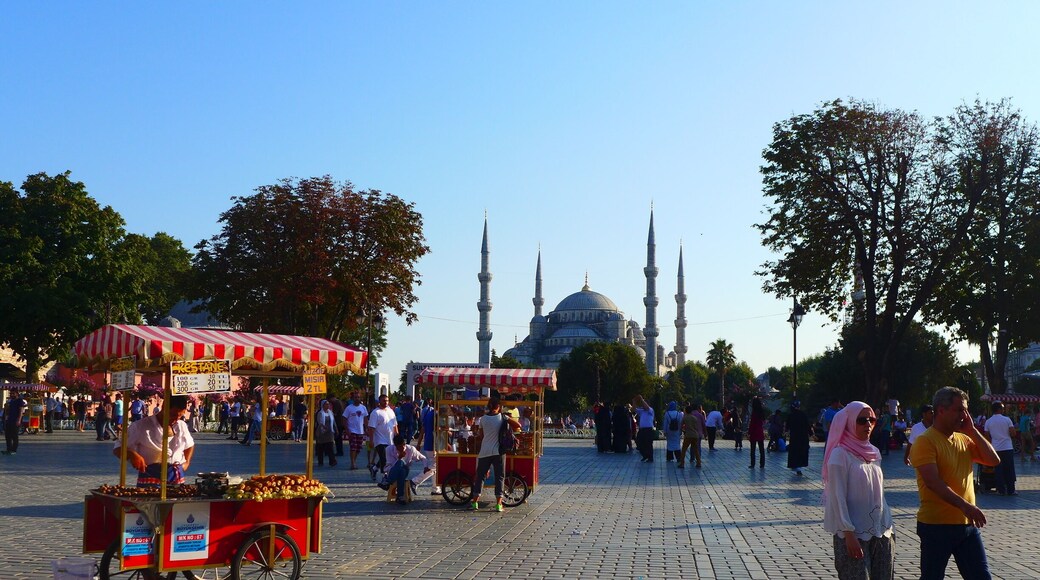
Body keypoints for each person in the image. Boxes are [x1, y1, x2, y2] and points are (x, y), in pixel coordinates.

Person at [909, 386, 1000, 580]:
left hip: (966, 525)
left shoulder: (963, 439)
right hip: (936, 525)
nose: (964, 415)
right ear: (941, 410)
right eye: (959, 410)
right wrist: (965, 506)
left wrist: (973, 431)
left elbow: (993, 460)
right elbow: (933, 482)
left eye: (966, 410)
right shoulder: (925, 441)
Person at [822, 401, 894, 579]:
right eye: (861, 420)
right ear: (849, 422)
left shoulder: (874, 452)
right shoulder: (840, 455)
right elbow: (837, 496)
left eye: (871, 419)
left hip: (882, 529)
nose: (868, 424)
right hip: (853, 533)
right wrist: (848, 532)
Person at [113, 395, 195, 487]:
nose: (175, 420)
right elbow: (117, 448)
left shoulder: (181, 425)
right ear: (164, 407)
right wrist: (132, 454)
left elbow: (190, 444)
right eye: (172, 415)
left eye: (180, 416)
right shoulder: (140, 426)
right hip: (150, 477)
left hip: (176, 477)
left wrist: (187, 462)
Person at [469, 398, 522, 512]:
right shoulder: (502, 417)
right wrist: (507, 419)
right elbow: (518, 425)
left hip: (484, 451)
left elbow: (481, 436)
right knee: (499, 477)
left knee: (480, 477)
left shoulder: (483, 419)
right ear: (498, 406)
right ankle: (498, 504)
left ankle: (475, 502)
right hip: (498, 452)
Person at [379, 434, 430, 504]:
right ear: (395, 446)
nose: (402, 448)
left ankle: (387, 482)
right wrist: (399, 458)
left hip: (405, 469)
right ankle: (400, 496)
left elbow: (423, 458)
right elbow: (390, 465)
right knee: (400, 468)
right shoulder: (389, 450)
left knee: (402, 467)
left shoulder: (410, 449)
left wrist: (425, 467)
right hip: (391, 471)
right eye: (399, 447)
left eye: (403, 445)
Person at [983, 402, 1017, 496]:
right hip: (1007, 447)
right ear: (999, 409)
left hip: (996, 448)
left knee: (999, 469)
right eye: (1002, 408)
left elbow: (986, 436)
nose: (1003, 409)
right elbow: (1013, 433)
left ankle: (1000, 489)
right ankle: (1011, 489)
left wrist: (993, 442)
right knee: (1009, 469)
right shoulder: (1007, 419)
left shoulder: (988, 421)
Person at [367, 394, 398, 480]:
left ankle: (374, 468)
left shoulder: (391, 411)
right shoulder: (375, 413)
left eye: (387, 401)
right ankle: (385, 475)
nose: (386, 402)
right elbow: (371, 428)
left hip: (390, 439)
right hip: (380, 439)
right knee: (384, 457)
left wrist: (397, 436)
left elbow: (395, 424)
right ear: (379, 401)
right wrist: (371, 441)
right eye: (384, 401)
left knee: (387, 456)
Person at [416, 399, 439, 494]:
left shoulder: (429, 414)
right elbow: (438, 431)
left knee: (435, 466)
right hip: (434, 444)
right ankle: (415, 481)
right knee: (433, 466)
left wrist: (418, 443)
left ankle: (435, 488)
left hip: (428, 443)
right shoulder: (437, 416)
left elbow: (423, 430)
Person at [343, 392, 369, 469]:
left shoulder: (363, 408)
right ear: (353, 398)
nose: (357, 399)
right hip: (352, 430)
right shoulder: (349, 408)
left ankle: (354, 460)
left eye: (358, 397)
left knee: (358, 448)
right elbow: (344, 418)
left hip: (360, 430)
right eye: (355, 397)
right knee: (353, 447)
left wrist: (367, 428)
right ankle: (353, 463)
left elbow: (365, 419)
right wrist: (347, 429)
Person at [787, 400, 811, 476]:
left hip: (794, 437)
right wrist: (811, 433)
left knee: (794, 452)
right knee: (801, 452)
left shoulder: (791, 415)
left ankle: (795, 466)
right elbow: (808, 425)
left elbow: (787, 427)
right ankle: (799, 466)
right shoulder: (803, 415)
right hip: (803, 437)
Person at [678, 403, 706, 469]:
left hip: (688, 435)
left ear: (686, 411)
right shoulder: (694, 418)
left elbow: (681, 426)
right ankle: (698, 463)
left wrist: (683, 430)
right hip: (695, 435)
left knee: (684, 449)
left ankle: (682, 463)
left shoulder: (685, 417)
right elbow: (697, 427)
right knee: (696, 450)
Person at [313, 399, 337, 467]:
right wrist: (323, 427)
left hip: (329, 433)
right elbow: (319, 422)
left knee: (330, 447)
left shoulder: (330, 412)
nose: (328, 405)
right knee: (321, 448)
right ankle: (320, 461)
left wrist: (336, 429)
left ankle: (332, 461)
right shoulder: (320, 413)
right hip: (322, 433)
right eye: (326, 404)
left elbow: (333, 421)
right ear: (322, 405)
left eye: (328, 404)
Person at [633, 395, 655, 462]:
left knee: (648, 444)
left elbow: (647, 407)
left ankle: (650, 458)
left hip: (648, 429)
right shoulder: (641, 411)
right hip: (642, 430)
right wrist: (634, 401)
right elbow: (634, 409)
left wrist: (642, 400)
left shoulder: (650, 410)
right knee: (639, 442)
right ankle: (645, 455)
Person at [748, 397, 766, 468]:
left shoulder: (754, 413)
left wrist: (749, 432)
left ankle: (753, 464)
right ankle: (762, 464)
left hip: (754, 433)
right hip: (760, 432)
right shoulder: (761, 412)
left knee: (753, 450)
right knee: (761, 449)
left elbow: (752, 424)